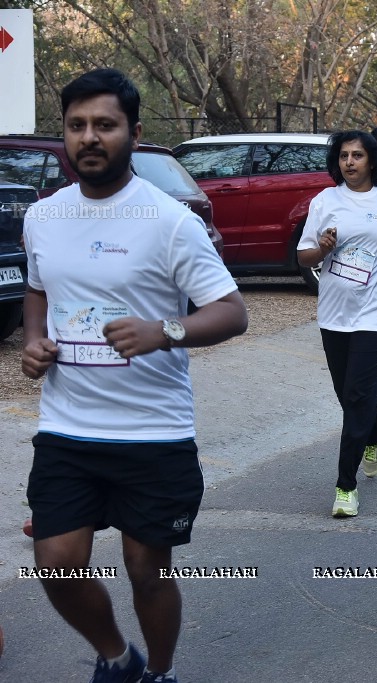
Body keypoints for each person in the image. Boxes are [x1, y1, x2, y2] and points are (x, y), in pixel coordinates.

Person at [21, 68, 248, 683]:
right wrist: (36, 339)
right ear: (63, 134)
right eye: (76, 126)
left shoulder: (170, 221)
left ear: (134, 133)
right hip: (68, 427)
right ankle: (117, 658)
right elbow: (39, 289)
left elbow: (232, 313)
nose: (89, 138)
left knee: (148, 571)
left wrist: (163, 331)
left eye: (104, 125)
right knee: (56, 563)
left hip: (153, 432)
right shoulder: (43, 216)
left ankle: (162, 673)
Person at [297, 130, 377, 518]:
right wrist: (322, 248)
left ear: (373, 161)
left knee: (358, 395)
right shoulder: (325, 201)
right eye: (343, 155)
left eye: (357, 155)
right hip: (335, 312)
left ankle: (346, 486)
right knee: (348, 395)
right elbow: (303, 256)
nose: (349, 162)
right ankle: (376, 432)